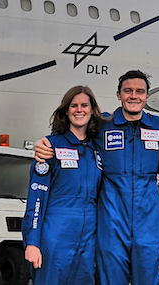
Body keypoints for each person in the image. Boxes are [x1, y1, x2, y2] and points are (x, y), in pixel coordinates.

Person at [35, 70, 159, 285]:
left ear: (147, 96)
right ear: (118, 95)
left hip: (149, 221)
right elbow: (72, 136)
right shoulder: (101, 125)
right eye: (128, 91)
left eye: (140, 91)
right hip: (111, 220)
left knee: (151, 279)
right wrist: (45, 143)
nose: (133, 96)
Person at [22, 85, 105, 284]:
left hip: (89, 237)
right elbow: (36, 198)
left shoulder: (98, 148)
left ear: (92, 110)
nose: (79, 110)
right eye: (74, 105)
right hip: (56, 234)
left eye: (84, 105)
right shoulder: (50, 147)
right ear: (66, 111)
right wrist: (32, 242)